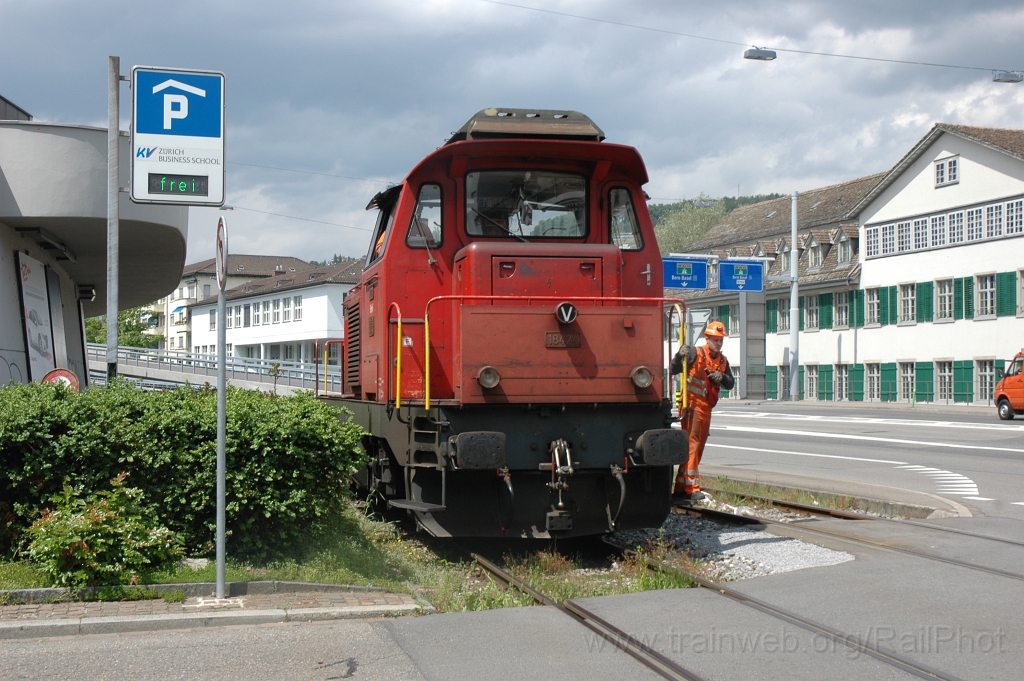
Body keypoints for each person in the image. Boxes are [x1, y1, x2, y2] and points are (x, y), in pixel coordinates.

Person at [670, 320, 734, 503]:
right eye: (716, 340)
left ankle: (681, 488)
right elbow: (674, 369)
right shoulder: (694, 353)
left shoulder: (723, 361)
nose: (719, 343)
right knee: (693, 444)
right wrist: (679, 356)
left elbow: (730, 383)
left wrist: (722, 377)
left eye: (721, 340)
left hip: (706, 408)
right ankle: (692, 488)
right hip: (691, 406)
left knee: (698, 447)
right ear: (707, 339)